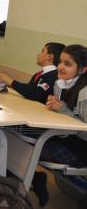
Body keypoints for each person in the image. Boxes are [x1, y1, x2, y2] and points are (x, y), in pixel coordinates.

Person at [33, 44, 87, 207]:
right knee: (21, 140)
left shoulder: (85, 92)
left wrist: (63, 109)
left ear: (82, 70)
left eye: (68, 64)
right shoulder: (59, 84)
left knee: (31, 148)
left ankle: (33, 181)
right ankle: (35, 180)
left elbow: (85, 132)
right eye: (61, 62)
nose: (61, 67)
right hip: (61, 138)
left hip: (80, 148)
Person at [0, 42, 65, 104]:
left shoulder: (54, 76)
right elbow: (29, 89)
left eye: (42, 51)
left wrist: (10, 81)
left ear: (49, 56)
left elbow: (34, 94)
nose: (38, 54)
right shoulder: (40, 74)